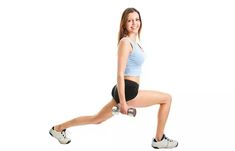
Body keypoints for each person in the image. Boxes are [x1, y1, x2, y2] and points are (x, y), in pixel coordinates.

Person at [49, 7, 178, 149]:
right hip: (128, 91)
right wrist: (123, 102)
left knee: (96, 119)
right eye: (130, 20)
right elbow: (120, 74)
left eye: (137, 19)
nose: (134, 23)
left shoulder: (135, 43)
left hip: (128, 89)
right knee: (166, 99)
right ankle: (159, 140)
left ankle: (58, 128)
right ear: (124, 24)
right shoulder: (125, 43)